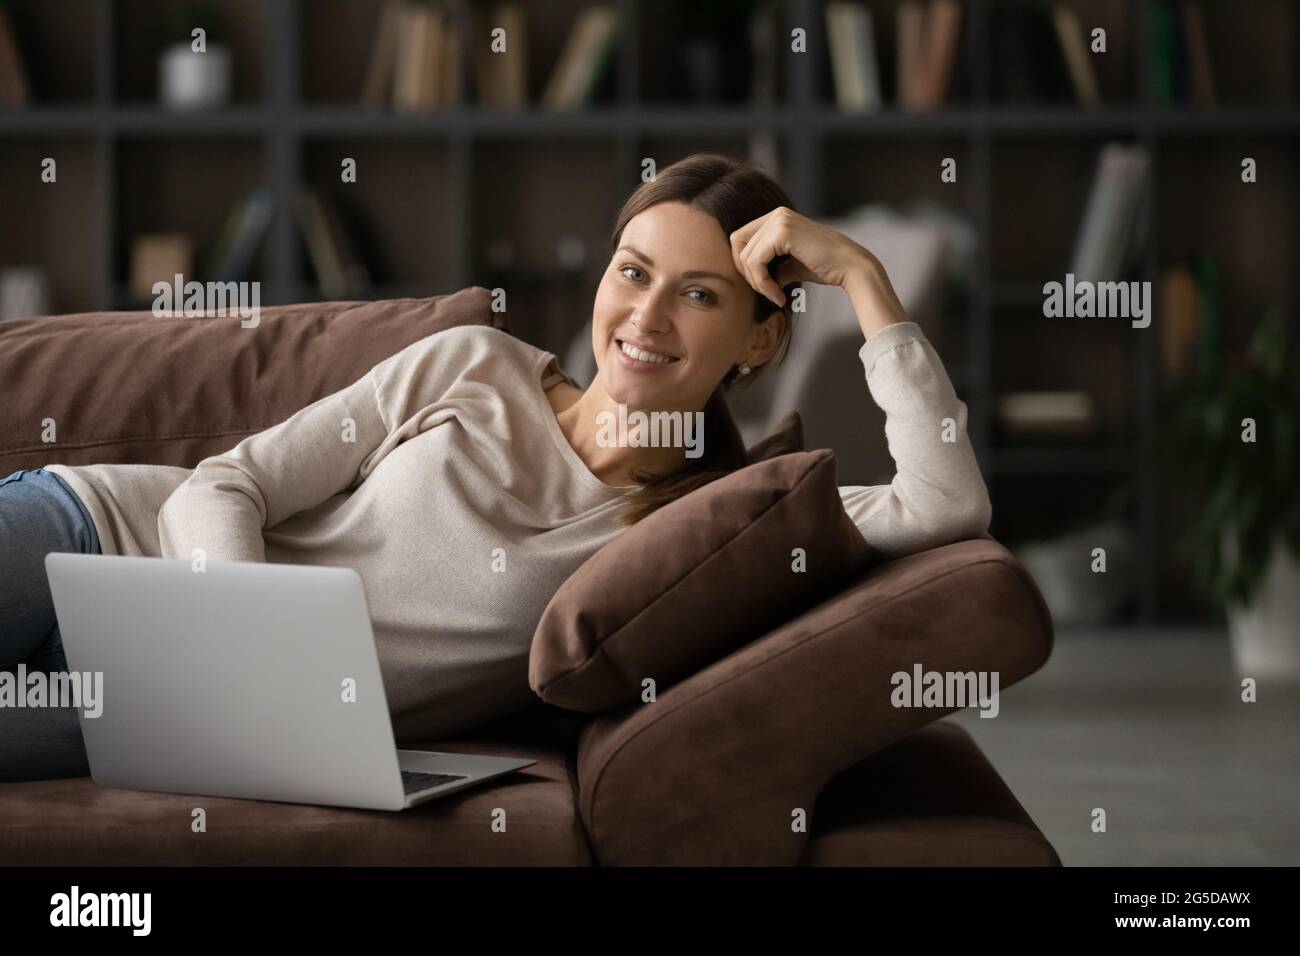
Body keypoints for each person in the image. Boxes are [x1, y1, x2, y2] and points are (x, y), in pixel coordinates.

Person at [0, 153, 989, 782]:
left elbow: (946, 502)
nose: (644, 318)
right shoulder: (474, 363)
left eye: (698, 295)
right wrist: (260, 653)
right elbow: (227, 482)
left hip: (183, 701)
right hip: (92, 526)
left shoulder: (708, 522)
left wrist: (860, 276)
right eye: (632, 272)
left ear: (758, 342)